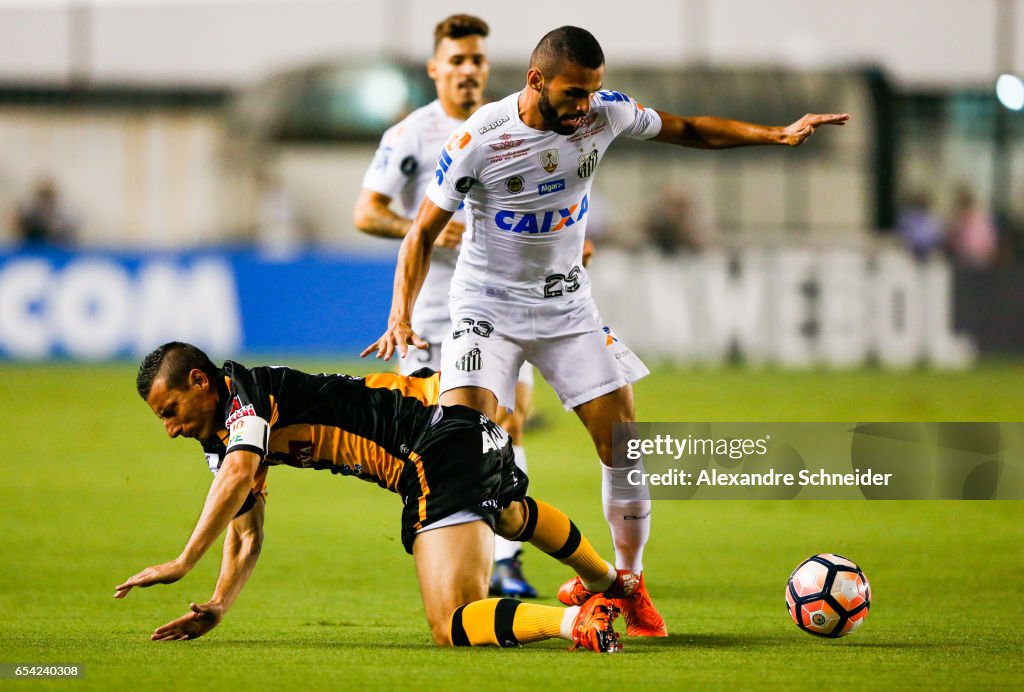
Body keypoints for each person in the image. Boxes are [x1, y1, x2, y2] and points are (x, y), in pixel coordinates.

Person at [363, 25, 849, 638]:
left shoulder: (604, 115)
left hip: (567, 308)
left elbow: (689, 129)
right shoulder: (480, 138)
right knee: (468, 441)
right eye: (573, 93)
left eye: (592, 91)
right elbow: (421, 233)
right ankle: (477, 586)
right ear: (536, 81)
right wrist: (400, 316)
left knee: (623, 442)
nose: (585, 105)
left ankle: (627, 582)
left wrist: (774, 134)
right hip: (486, 308)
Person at [114, 341, 631, 653]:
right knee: (511, 514)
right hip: (459, 425)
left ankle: (574, 622)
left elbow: (239, 473)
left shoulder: (245, 400)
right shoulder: (220, 437)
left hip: (433, 442)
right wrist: (219, 604)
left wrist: (184, 562)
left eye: (170, 410)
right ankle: (613, 583)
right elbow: (246, 534)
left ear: (201, 381)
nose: (169, 429)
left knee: (452, 621)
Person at [353, 14, 538, 597]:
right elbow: (367, 212)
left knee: (509, 424)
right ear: (436, 69)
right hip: (433, 312)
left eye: (476, 60)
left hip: (504, 301)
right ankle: (451, 549)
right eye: (456, 61)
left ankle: (507, 559)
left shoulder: (511, 126)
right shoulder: (411, 135)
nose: (467, 71)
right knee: (450, 435)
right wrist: (426, 228)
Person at [14, 178, 77, 246]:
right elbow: (18, 231)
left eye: (48, 197)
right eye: (43, 196)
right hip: (32, 247)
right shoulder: (29, 214)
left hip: (56, 248)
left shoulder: (63, 215)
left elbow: (70, 234)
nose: (46, 201)